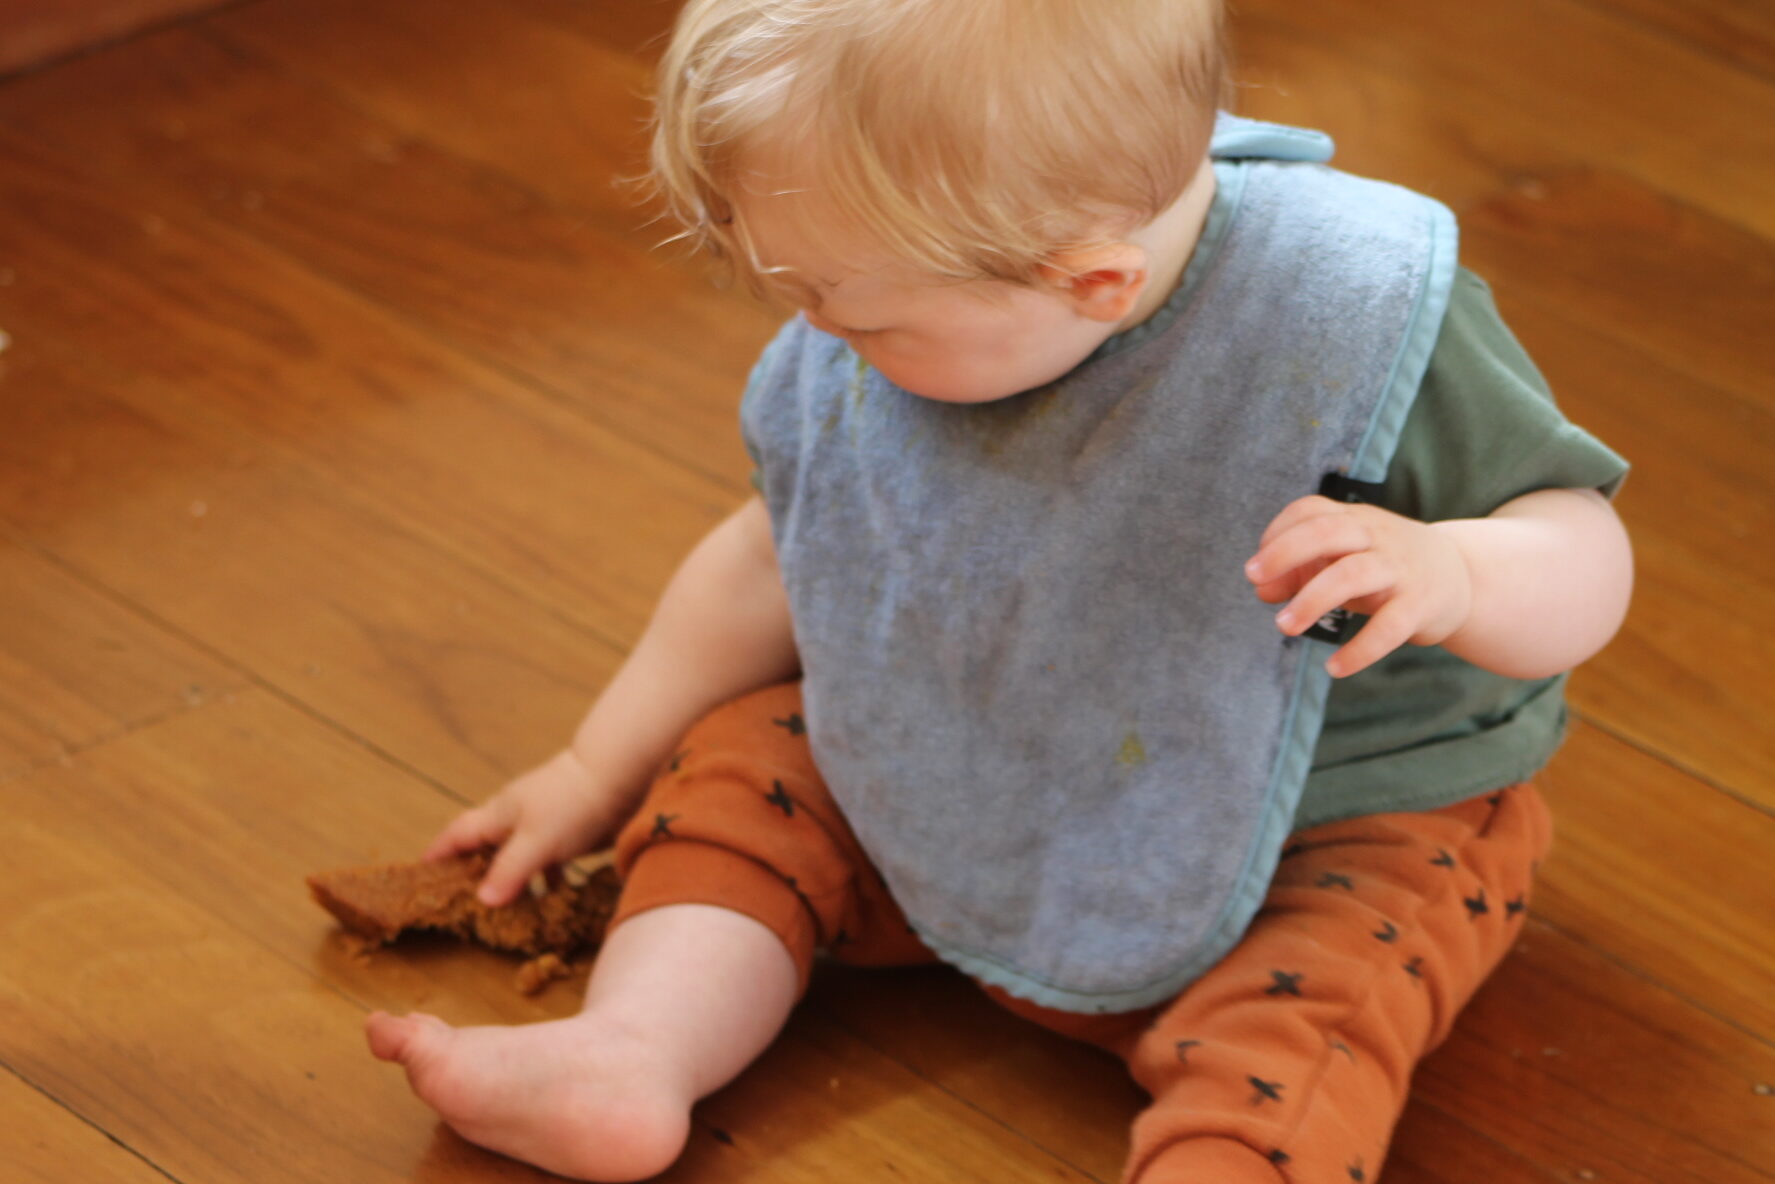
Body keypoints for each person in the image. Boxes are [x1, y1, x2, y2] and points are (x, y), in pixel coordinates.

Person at [364, 1, 1634, 1180]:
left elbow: (1583, 547)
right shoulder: (939, 293)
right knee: (754, 763)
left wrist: (1455, 567)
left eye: (853, 317)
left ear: (1089, 282)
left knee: (1328, 991)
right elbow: (779, 547)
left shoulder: (1352, 320)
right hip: (965, 732)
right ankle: (634, 1045)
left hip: (1328, 814)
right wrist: (594, 768)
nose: (816, 337)